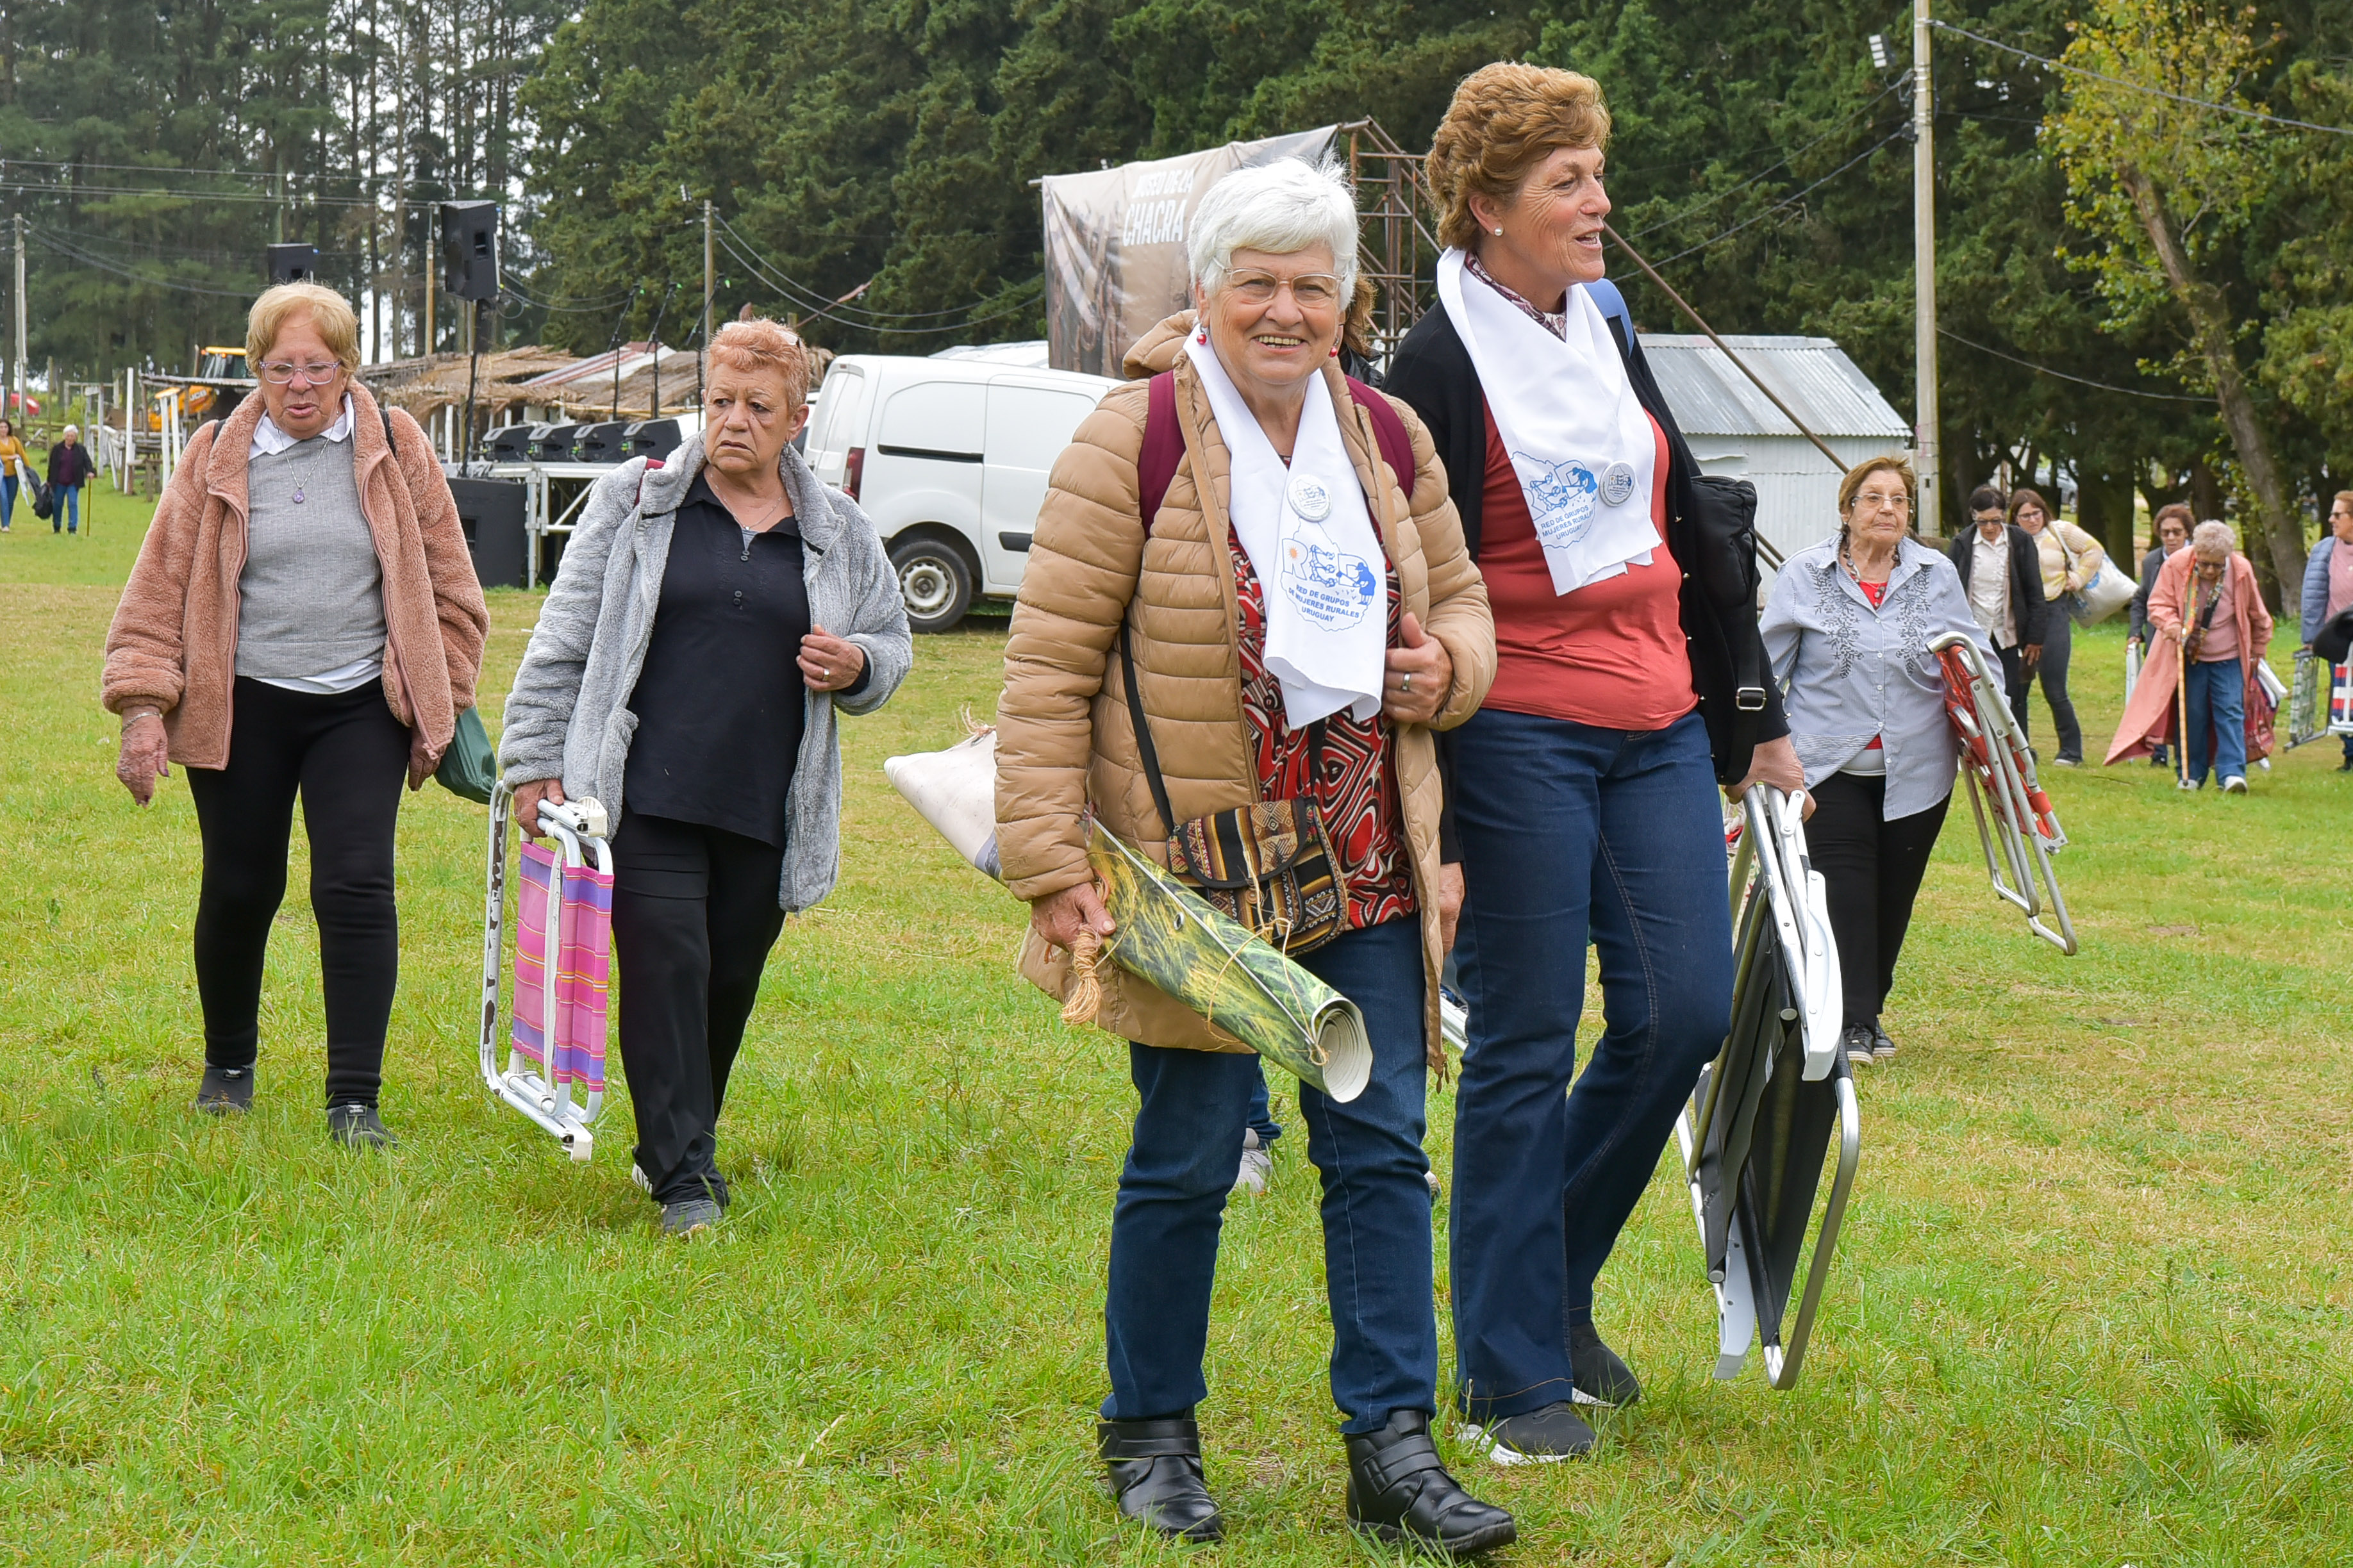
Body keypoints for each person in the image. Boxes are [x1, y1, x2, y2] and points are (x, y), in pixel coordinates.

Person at [995, 156, 1515, 1555]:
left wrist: (1446, 669)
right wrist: (1050, 862)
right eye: (1258, 283)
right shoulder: (1132, 438)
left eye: (1312, 287)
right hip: (1200, 875)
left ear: (1347, 303)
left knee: (1380, 1152)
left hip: (1364, 856)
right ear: (1207, 292)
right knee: (1186, 1151)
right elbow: (1045, 666)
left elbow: (1465, 603)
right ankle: (1150, 1433)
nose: (1286, 311)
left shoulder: (1389, 434)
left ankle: (1391, 1449)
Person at [1383, 62, 1801, 1465]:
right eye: (1566, 180)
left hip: (1659, 716)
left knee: (1682, 1012)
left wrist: (1752, 714)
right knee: (1522, 1037)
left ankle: (1544, 1278)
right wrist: (1429, 807)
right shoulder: (1433, 366)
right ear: (1486, 205)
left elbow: (1690, 520)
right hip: (1516, 727)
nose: (1598, 201)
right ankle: (1510, 1374)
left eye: (1596, 173)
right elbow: (1407, 579)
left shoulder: (1604, 325)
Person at [501, 318, 911, 1236]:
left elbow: (892, 639)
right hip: (641, 791)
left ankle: (677, 1140)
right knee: (666, 967)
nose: (733, 421)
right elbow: (564, 634)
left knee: (725, 982)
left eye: (758, 406)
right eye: (720, 401)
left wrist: (857, 664)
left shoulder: (837, 529)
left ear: (796, 419)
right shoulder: (637, 498)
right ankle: (684, 1179)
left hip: (765, 800)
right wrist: (531, 761)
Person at [103, 282, 488, 1145]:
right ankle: (228, 1068)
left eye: (318, 366)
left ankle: (354, 1100)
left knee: (355, 884)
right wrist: (142, 707)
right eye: (281, 368)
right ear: (256, 369)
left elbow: (454, 590)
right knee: (241, 885)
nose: (300, 385)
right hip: (242, 704)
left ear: (348, 368)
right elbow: (158, 590)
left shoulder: (397, 445)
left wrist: (441, 694)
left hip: (359, 707)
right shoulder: (214, 453)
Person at [1760, 457, 1988, 1068]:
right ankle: (1852, 1020)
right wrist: (1755, 742)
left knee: (1893, 896)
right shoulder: (1804, 574)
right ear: (1847, 509)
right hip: (1826, 767)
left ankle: (1865, 1007)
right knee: (1846, 893)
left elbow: (1973, 653)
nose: (1887, 508)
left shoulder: (1936, 574)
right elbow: (1767, 664)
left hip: (1918, 768)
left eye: (1899, 500)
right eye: (1873, 498)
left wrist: (1993, 720)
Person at [2106, 520, 2274, 789]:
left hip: (2229, 655)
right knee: (2192, 714)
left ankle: (2232, 774)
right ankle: (2191, 775)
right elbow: (2158, 604)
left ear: (2227, 558)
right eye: (2204, 564)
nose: (2210, 571)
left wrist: (2259, 649)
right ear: (2196, 553)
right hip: (2188, 654)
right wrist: (2172, 625)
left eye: (2217, 565)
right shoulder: (2177, 563)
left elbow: (2258, 614)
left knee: (2231, 711)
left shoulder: (2240, 569)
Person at [2006, 488, 2102, 766]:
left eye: (2036, 513)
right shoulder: (2011, 539)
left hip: (2054, 609)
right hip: (2022, 615)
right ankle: (2021, 749)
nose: (2032, 520)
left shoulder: (2059, 531)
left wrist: (2078, 578)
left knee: (2054, 685)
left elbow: (2093, 550)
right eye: (2025, 516)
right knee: (2018, 687)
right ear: (2016, 518)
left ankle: (2071, 751)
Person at [1948, 485, 2047, 743]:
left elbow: (2035, 591)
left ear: (2004, 515)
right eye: (1983, 522)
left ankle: (2019, 752)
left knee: (2012, 697)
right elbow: (1949, 593)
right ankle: (1979, 749)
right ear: (1973, 516)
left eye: (1995, 521)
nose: (1990, 527)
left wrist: (2035, 637)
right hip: (1972, 636)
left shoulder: (2020, 542)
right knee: (1972, 696)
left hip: (2008, 635)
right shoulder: (1962, 544)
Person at [2132, 504, 2193, 768]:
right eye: (2165, 532)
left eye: (2176, 532)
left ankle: (2187, 751)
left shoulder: (2198, 557)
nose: (2170, 538)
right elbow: (2142, 598)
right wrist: (2135, 632)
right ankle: (2158, 753)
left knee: (2187, 698)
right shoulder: (2151, 561)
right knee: (2158, 696)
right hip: (2159, 639)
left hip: (2191, 640)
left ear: (2187, 533)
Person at [2299, 491, 2353, 770]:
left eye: (2337, 515)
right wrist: (2311, 637)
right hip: (2339, 638)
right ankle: (2351, 754)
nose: (2331, 519)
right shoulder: (2324, 551)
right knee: (2343, 697)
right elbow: (2314, 594)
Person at [47, 424, 96, 534]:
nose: (70, 438)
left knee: (73, 504)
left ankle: (72, 528)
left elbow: (87, 461)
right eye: (68, 436)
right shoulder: (57, 449)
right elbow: (52, 466)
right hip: (59, 482)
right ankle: (57, 526)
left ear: (76, 437)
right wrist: (49, 480)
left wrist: (90, 471)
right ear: (64, 436)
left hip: (73, 482)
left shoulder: (80, 449)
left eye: (72, 436)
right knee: (57, 504)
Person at [0, 416, 28, 531]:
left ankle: (6, 522)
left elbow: (22, 454)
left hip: (13, 474)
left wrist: (28, 469)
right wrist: (9, 457)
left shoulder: (14, 440)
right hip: (1, 475)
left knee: (11, 499)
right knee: (3, 498)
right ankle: (5, 525)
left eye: (5, 427)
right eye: (1, 427)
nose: (3, 429)